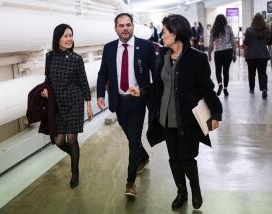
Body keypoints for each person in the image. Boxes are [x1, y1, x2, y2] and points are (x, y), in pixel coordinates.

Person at [128, 14, 222, 210]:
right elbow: (159, 86)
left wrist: (216, 113)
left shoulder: (197, 58)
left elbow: (207, 88)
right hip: (165, 119)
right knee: (173, 158)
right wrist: (143, 90)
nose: (161, 36)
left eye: (164, 32)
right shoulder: (162, 56)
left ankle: (195, 188)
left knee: (187, 158)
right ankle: (182, 192)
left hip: (188, 119)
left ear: (176, 33)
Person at [96, 13, 156, 197]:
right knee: (133, 138)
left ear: (133, 27)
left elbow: (158, 76)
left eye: (128, 25)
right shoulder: (109, 48)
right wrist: (99, 95)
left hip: (138, 102)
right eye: (121, 25)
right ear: (116, 28)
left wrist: (148, 93)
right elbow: (102, 74)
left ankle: (130, 182)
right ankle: (144, 157)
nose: (125, 28)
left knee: (134, 141)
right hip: (118, 102)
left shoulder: (145, 47)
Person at [41, 24, 93, 188]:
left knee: (71, 138)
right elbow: (48, 78)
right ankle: (74, 156)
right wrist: (45, 89)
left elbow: (83, 82)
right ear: (58, 39)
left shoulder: (76, 59)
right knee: (58, 140)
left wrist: (88, 104)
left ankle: (74, 173)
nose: (69, 39)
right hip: (57, 103)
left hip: (74, 102)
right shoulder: (50, 57)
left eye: (71, 35)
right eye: (66, 36)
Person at [208, 14, 236, 97]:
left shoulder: (214, 30)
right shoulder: (229, 28)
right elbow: (233, 42)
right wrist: (234, 54)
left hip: (218, 52)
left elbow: (210, 44)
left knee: (218, 70)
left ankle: (220, 84)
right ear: (224, 20)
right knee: (226, 71)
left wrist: (209, 54)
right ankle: (225, 89)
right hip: (228, 51)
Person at [243, 13, 270, 99]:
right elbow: (267, 42)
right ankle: (264, 88)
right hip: (263, 55)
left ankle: (251, 88)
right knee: (262, 73)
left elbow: (246, 43)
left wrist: (245, 54)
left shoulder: (249, 30)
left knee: (251, 73)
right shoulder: (266, 30)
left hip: (251, 55)